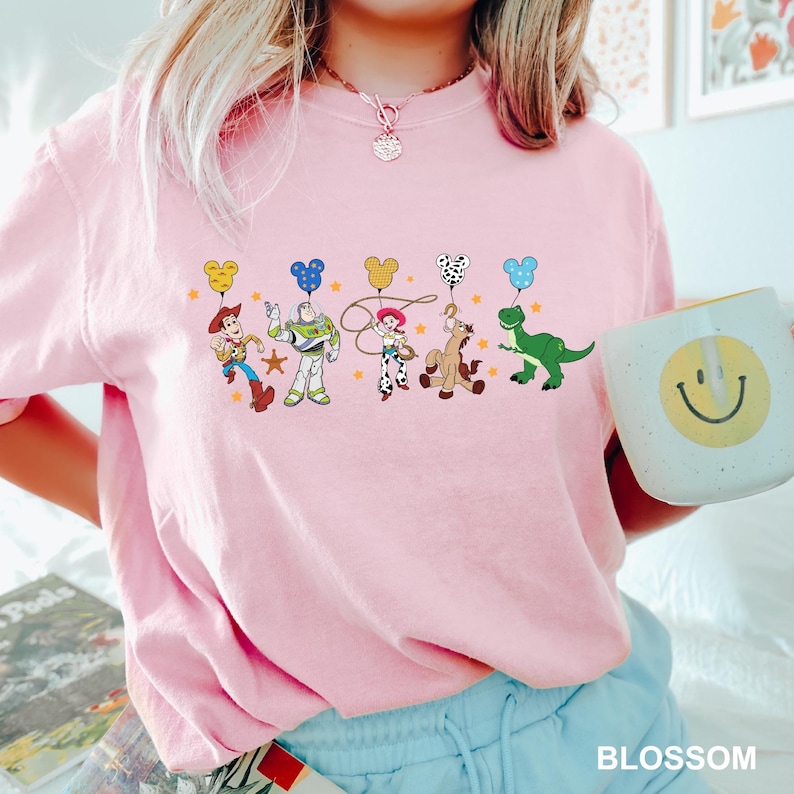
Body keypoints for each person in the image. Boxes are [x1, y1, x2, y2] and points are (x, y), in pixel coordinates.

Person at [0, 0, 710, 791]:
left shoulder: (607, 175)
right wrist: (149, 518)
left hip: (606, 722)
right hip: (306, 759)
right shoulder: (139, 149)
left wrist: (717, 445)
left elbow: (599, 500)